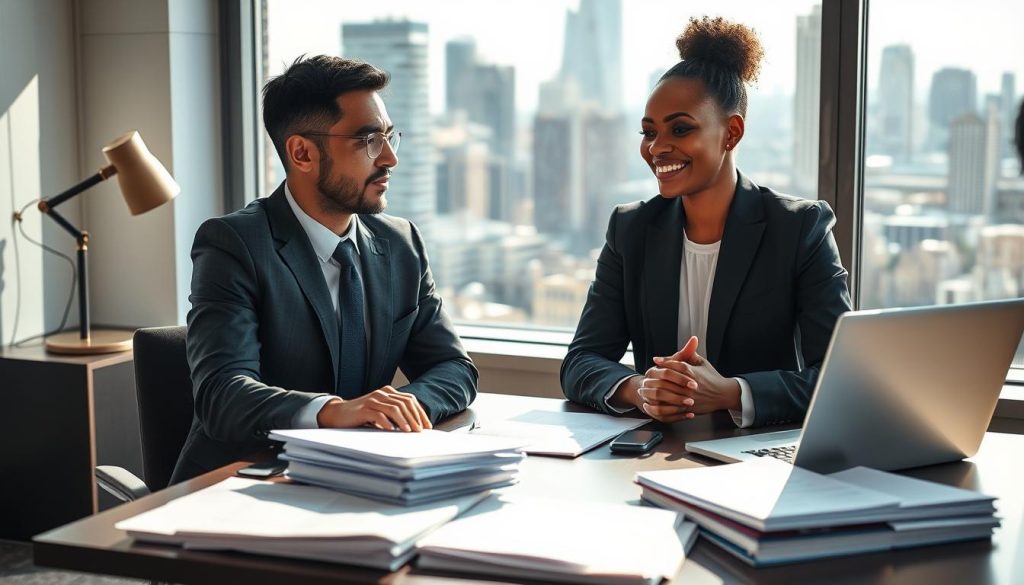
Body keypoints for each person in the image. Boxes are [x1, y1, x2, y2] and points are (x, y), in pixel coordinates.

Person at [172, 55, 477, 481]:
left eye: (389, 137)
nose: (389, 158)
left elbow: (454, 369)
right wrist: (334, 412)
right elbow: (223, 395)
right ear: (302, 153)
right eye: (368, 140)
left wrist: (402, 410)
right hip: (241, 484)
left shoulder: (400, 243)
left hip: (358, 480)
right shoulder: (234, 244)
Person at [561, 17, 852, 428]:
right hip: (657, 455)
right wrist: (641, 388)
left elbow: (840, 380)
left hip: (760, 461)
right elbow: (580, 362)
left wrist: (732, 393)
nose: (658, 148)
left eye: (680, 129)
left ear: (731, 133)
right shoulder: (631, 230)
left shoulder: (800, 230)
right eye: (649, 133)